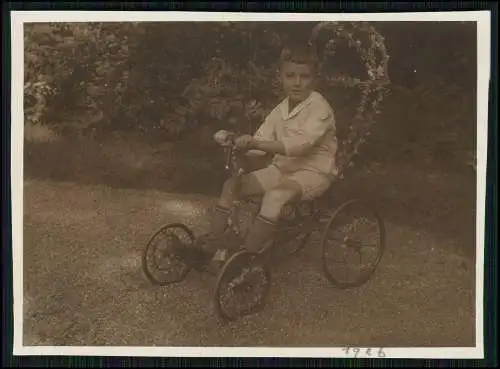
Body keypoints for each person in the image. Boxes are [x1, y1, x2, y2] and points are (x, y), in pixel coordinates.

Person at [191, 44, 338, 263]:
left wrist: (255, 143)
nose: (297, 83)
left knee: (275, 196)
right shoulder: (280, 110)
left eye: (304, 77)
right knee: (233, 185)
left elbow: (300, 145)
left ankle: (246, 256)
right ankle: (213, 242)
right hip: (283, 169)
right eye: (290, 76)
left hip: (313, 172)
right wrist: (238, 143)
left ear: (314, 79)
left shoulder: (319, 108)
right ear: (281, 77)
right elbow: (261, 141)